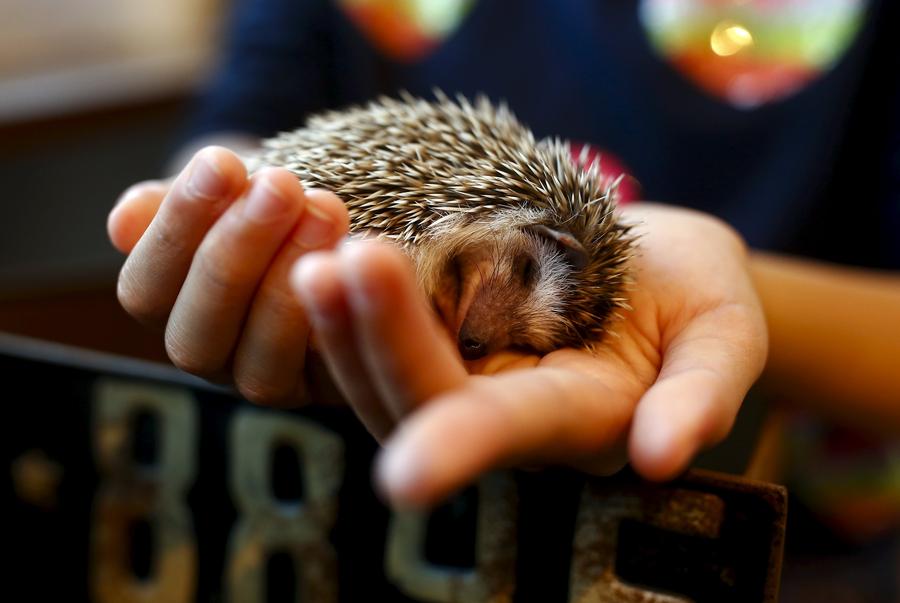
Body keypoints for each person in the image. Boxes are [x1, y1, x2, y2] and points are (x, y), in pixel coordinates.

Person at [107, 0, 899, 508]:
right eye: (517, 276)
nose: (481, 337)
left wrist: (754, 301)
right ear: (532, 238)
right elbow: (250, 111)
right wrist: (232, 210)